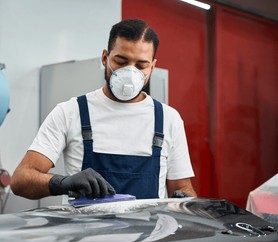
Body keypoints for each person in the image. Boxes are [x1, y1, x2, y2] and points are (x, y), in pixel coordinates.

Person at [11, 18, 197, 200]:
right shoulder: (70, 112)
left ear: (153, 67)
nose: (130, 74)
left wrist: (186, 199)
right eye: (121, 61)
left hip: (150, 231)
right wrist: (63, 183)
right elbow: (21, 179)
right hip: (86, 231)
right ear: (104, 58)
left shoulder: (168, 119)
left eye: (141, 65)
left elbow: (182, 186)